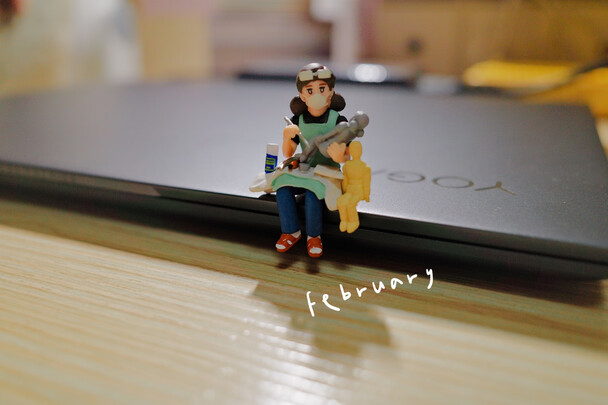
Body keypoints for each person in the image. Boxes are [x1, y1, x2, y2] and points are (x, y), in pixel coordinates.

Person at [273, 63, 350, 258]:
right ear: (302, 95)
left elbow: (347, 154)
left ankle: (313, 237)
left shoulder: (338, 121)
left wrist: (340, 156)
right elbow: (288, 152)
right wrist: (287, 137)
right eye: (310, 90)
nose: (316, 94)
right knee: (282, 189)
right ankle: (291, 232)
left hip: (327, 173)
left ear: (331, 91)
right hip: (305, 170)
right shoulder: (297, 120)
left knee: (312, 194)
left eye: (322, 89)